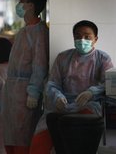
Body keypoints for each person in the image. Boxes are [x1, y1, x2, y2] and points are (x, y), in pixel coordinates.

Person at [29, 20, 114, 154]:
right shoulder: (63, 57)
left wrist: (91, 93)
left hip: (87, 107)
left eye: (87, 36)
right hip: (60, 107)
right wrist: (57, 96)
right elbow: (52, 83)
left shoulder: (103, 59)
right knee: (38, 146)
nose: (82, 40)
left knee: (76, 145)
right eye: (78, 36)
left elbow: (108, 84)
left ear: (95, 39)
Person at [2, 0, 48, 154]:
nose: (19, 5)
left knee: (23, 135)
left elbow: (40, 64)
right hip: (13, 91)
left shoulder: (39, 31)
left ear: (31, 5)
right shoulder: (25, 30)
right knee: (12, 134)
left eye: (23, 1)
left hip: (25, 91)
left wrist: (34, 91)